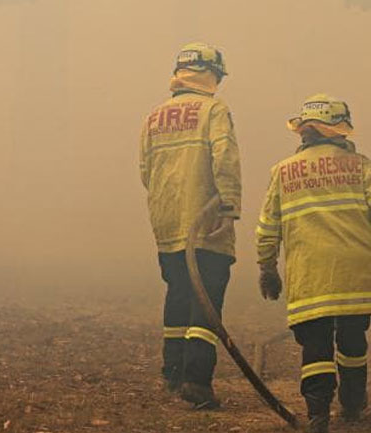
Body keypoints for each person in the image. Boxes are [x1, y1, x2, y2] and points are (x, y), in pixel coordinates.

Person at [255, 94, 371, 432]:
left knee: (315, 346)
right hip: (356, 273)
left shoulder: (283, 172)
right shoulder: (360, 166)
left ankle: (318, 415)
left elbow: (268, 226)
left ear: (304, 131)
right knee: (353, 340)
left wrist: (267, 267)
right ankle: (353, 403)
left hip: (310, 276)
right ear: (339, 131)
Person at [139, 42, 241, 410]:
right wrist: (229, 204)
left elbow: (146, 171)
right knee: (206, 300)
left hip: (167, 223)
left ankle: (172, 373)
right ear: (211, 74)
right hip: (207, 223)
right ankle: (196, 382)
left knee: (179, 293)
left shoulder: (154, 117)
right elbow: (224, 159)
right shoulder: (214, 110)